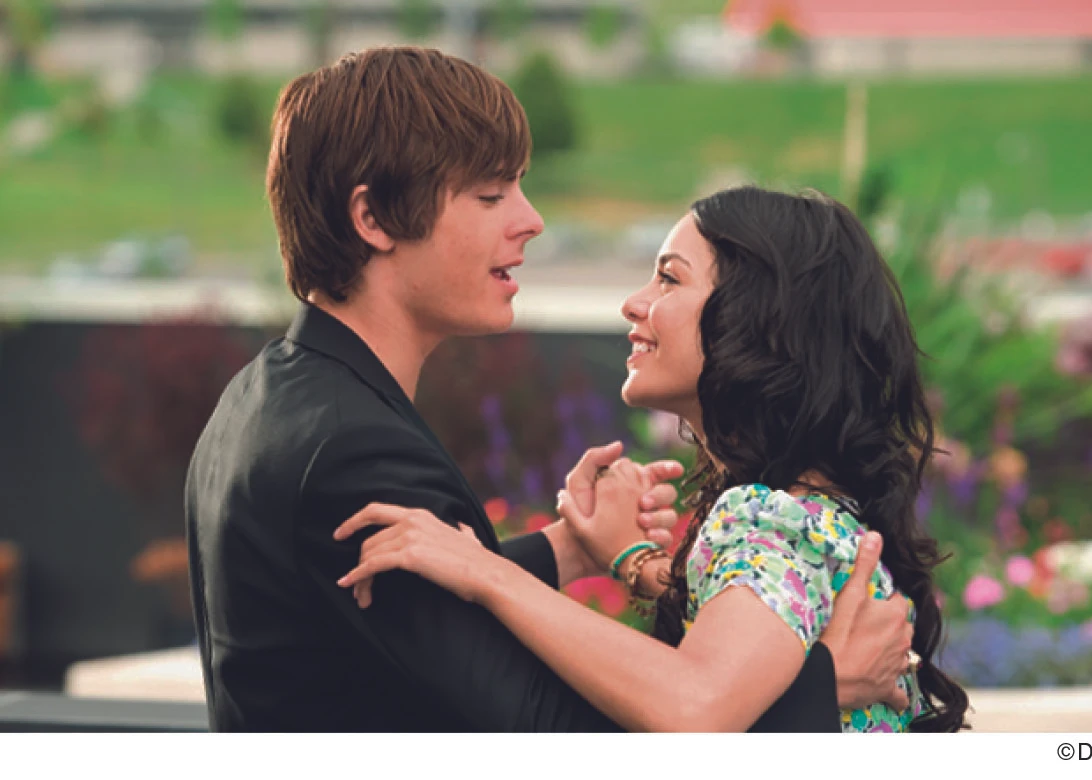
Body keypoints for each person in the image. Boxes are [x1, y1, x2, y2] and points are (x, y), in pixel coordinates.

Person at [185, 46, 913, 732]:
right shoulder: (353, 447)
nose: (531, 221)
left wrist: (568, 550)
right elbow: (548, 733)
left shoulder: (266, 395)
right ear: (372, 218)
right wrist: (822, 688)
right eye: (490, 194)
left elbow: (405, 626)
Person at [335, 186, 970, 732]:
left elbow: (694, 706)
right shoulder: (809, 518)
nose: (633, 303)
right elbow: (757, 616)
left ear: (760, 320)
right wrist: (631, 561)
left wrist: (483, 572)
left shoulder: (771, 523)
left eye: (669, 278)